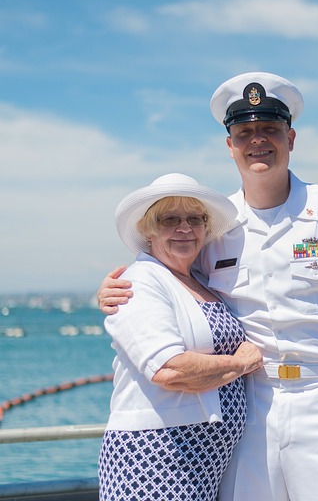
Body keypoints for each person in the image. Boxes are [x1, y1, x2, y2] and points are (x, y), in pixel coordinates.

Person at [98, 72, 318, 501]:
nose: (258, 141)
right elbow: (168, 273)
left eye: (270, 129)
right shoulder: (216, 224)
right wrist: (109, 291)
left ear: (290, 138)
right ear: (230, 146)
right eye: (245, 132)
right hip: (250, 406)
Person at [97, 173, 263, 501]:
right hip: (154, 461)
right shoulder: (140, 282)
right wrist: (241, 363)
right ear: (148, 230)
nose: (184, 228)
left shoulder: (198, 278)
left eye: (194, 219)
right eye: (169, 219)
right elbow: (169, 369)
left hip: (199, 465)